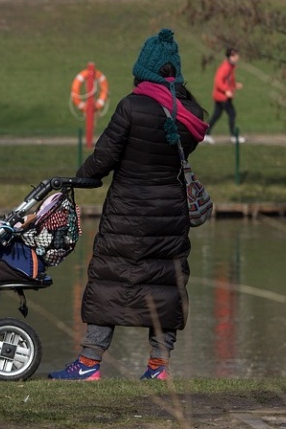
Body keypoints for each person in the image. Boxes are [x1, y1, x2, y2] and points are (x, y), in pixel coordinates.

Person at [47, 28, 208, 381]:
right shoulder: (191, 114)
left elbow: (104, 157)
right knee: (167, 286)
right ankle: (158, 368)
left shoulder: (131, 106)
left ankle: (89, 363)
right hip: (170, 213)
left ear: (144, 69)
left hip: (128, 212)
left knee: (110, 280)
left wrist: (79, 177)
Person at [203, 48, 243, 144]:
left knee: (216, 116)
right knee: (232, 113)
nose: (237, 57)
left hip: (221, 96)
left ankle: (206, 134)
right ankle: (233, 136)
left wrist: (234, 85)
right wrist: (226, 91)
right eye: (235, 55)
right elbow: (218, 81)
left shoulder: (230, 66)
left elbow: (229, 79)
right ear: (231, 56)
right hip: (222, 97)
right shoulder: (225, 67)